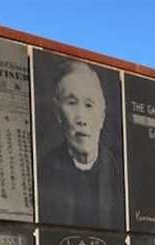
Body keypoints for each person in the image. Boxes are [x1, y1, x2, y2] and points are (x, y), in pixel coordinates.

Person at [40, 60, 123, 230]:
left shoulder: (119, 170)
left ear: (102, 115)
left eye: (89, 105)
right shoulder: (44, 173)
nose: (81, 118)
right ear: (58, 113)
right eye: (71, 103)